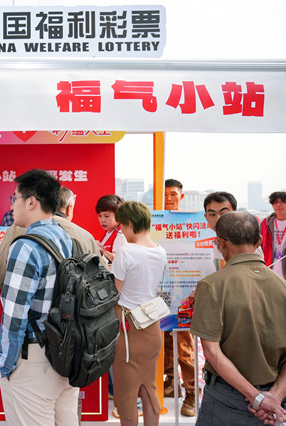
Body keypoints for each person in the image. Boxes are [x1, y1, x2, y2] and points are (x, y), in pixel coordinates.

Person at [192, 211, 286, 425]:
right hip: (278, 402)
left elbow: (212, 352)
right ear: (259, 241)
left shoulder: (212, 286)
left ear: (220, 243)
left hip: (229, 400)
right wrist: (274, 397)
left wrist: (257, 398)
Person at [0, 169, 78, 425]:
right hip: (66, 355)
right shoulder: (66, 238)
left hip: (34, 359)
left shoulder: (25, 246)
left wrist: (7, 364)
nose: (13, 205)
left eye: (15, 198)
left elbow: (15, 314)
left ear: (31, 201)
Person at [111, 201, 167, 426]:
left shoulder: (126, 251)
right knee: (148, 387)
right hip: (151, 324)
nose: (122, 232)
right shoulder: (160, 251)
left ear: (130, 224)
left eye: (122, 226)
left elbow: (114, 292)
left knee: (126, 394)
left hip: (127, 327)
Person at [0, 186, 103, 287]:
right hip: (73, 304)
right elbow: (101, 279)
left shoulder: (18, 229)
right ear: (69, 208)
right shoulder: (85, 236)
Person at [162, 178, 196, 416]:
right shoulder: (156, 221)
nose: (168, 198)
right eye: (165, 194)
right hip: (163, 290)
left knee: (184, 345)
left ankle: (191, 392)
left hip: (185, 292)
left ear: (181, 196)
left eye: (173, 194)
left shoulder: (192, 222)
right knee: (164, 340)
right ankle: (171, 382)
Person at [95, 194, 126, 263]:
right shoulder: (108, 232)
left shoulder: (120, 233)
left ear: (118, 215)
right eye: (100, 216)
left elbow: (117, 259)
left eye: (106, 216)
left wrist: (101, 249)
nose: (102, 220)